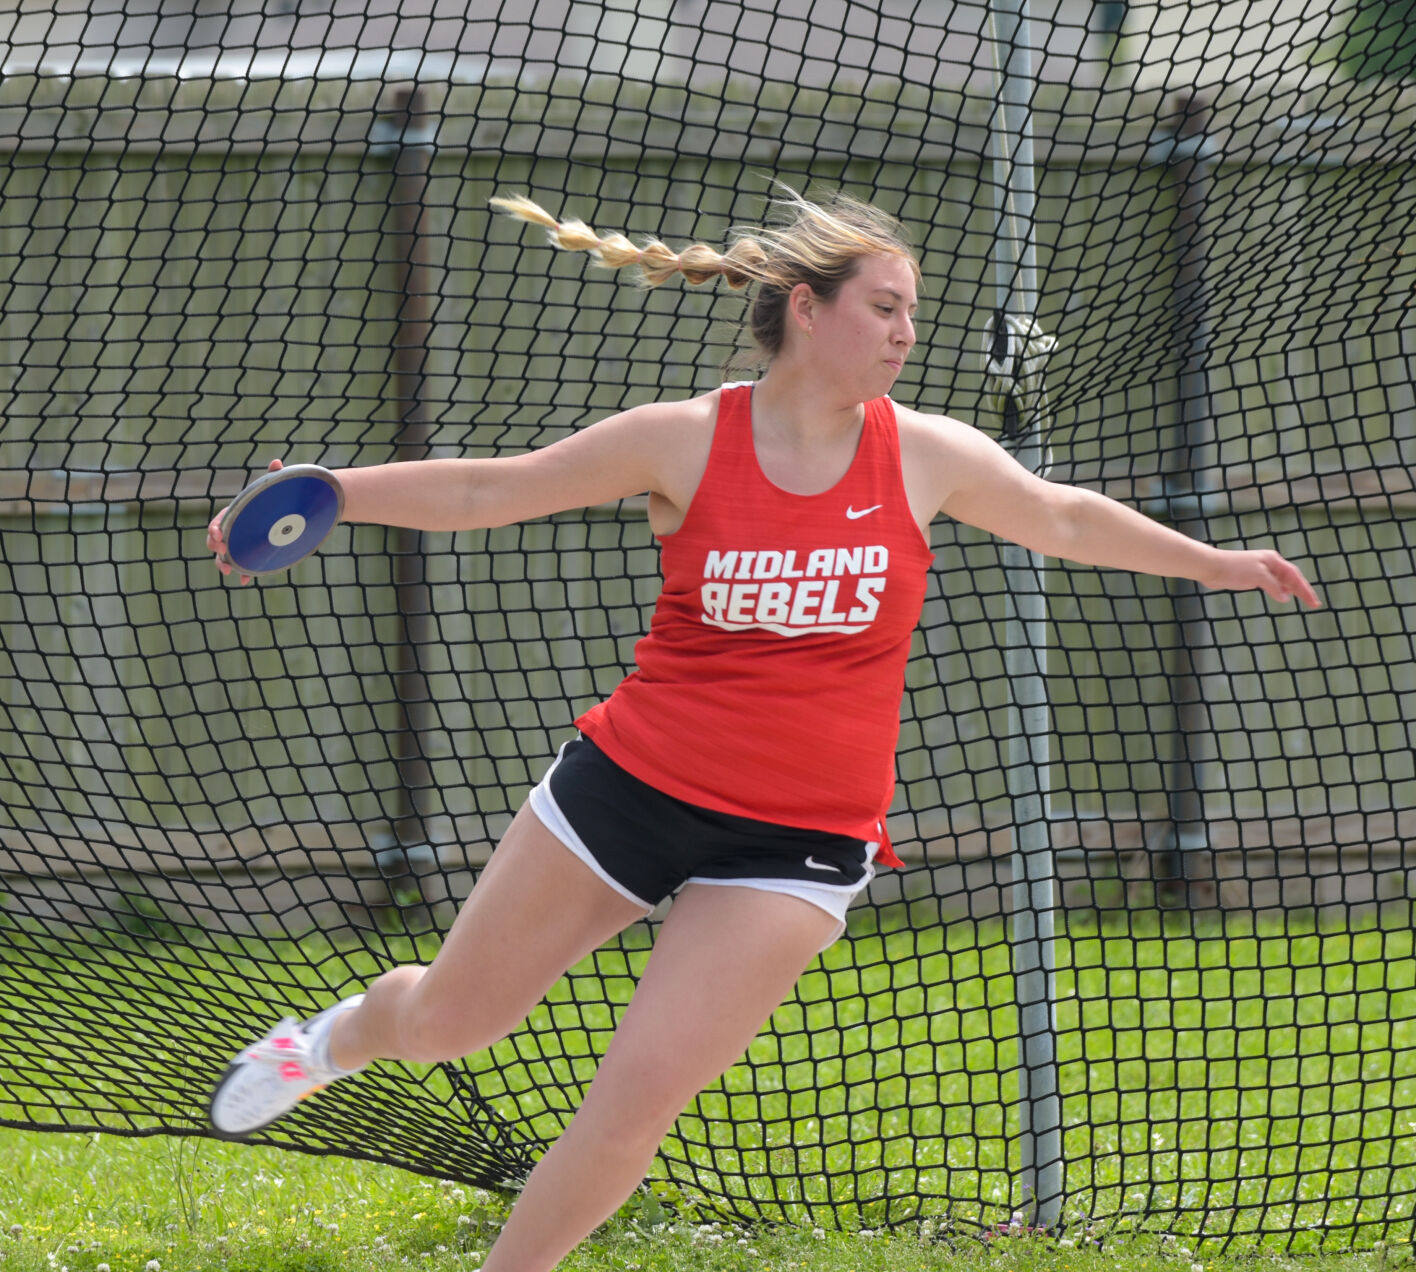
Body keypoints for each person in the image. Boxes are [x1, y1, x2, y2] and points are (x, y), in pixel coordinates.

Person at [205, 187, 1321, 1271]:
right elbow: (493, 493)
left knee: (633, 1102)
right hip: (628, 791)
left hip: (796, 840)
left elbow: (1062, 516)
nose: (906, 332)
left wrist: (1215, 562)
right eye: (885, 307)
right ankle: (335, 1040)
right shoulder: (684, 440)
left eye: (912, 311)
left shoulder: (926, 452)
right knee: (454, 1021)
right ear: (806, 307)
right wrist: (335, 491)